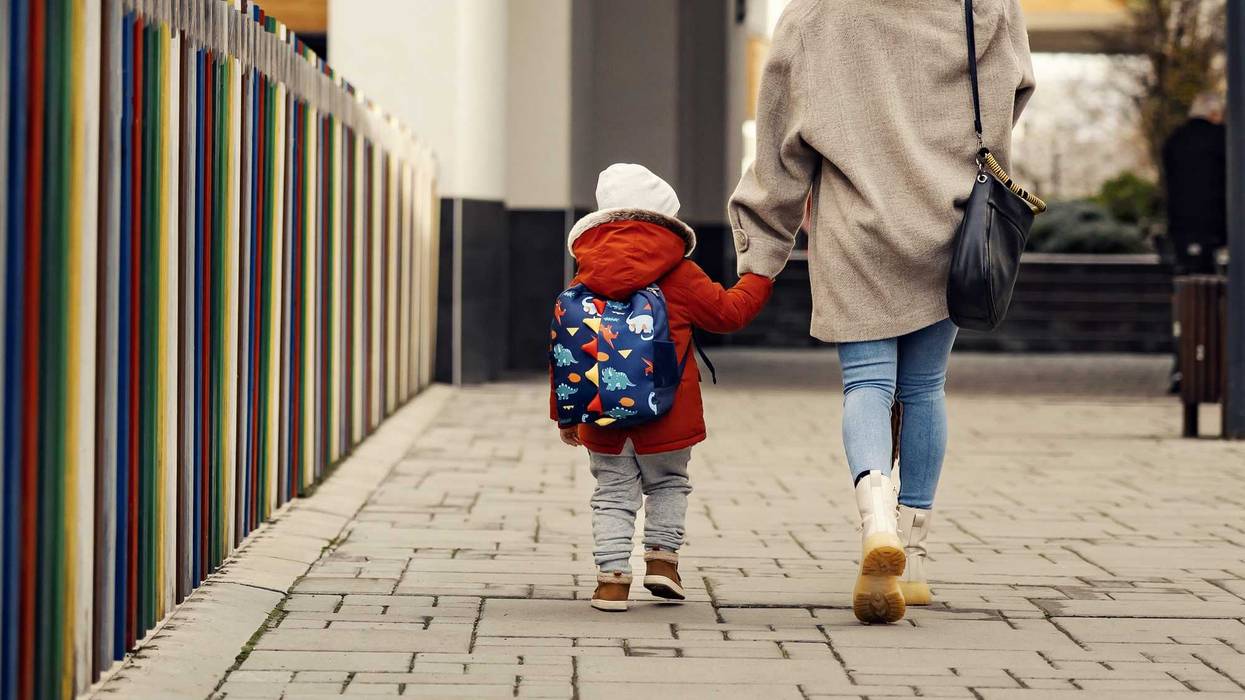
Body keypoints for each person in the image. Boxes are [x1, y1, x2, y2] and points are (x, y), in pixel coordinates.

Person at [729, 0, 1035, 623]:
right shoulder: (986, 5)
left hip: (856, 226)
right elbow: (1017, 85)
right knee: (924, 389)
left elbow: (780, 145)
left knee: (867, 384)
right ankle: (914, 558)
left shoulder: (815, 14)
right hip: (952, 222)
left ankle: (876, 518)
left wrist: (762, 250)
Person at [553, 164, 773, 612]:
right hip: (670, 411)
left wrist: (567, 415)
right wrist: (760, 275)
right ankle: (662, 563)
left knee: (613, 494)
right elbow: (730, 314)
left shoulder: (585, 277)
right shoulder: (681, 274)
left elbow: (566, 346)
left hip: (601, 409)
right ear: (667, 222)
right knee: (669, 483)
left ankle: (612, 582)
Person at [1163, 92, 1228, 276]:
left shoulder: (1175, 139)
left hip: (1181, 225)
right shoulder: (1223, 137)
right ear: (1214, 113)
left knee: (1189, 277)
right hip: (1216, 223)